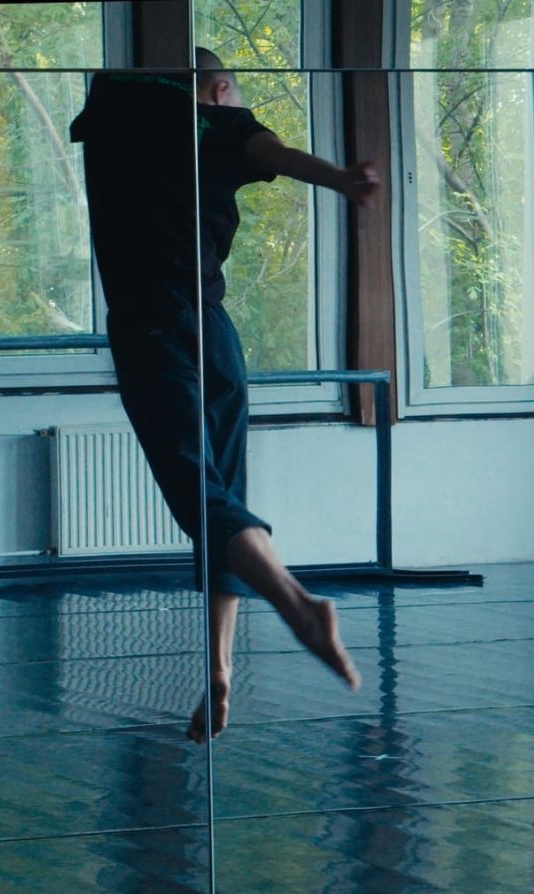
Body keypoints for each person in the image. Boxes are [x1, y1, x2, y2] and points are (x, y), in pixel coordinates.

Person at [71, 49, 381, 743]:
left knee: (197, 490)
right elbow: (276, 153)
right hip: (214, 330)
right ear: (218, 89)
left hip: (151, 321)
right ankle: (218, 667)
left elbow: (107, 93)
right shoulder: (217, 126)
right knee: (221, 492)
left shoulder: (112, 119)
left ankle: (295, 602)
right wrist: (340, 179)